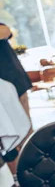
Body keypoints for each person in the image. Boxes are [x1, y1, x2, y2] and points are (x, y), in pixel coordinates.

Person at [0, 23, 32, 175]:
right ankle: (20, 177)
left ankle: (31, 171)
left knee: (25, 128)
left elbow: (5, 31)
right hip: (3, 89)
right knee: (9, 133)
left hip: (14, 79)